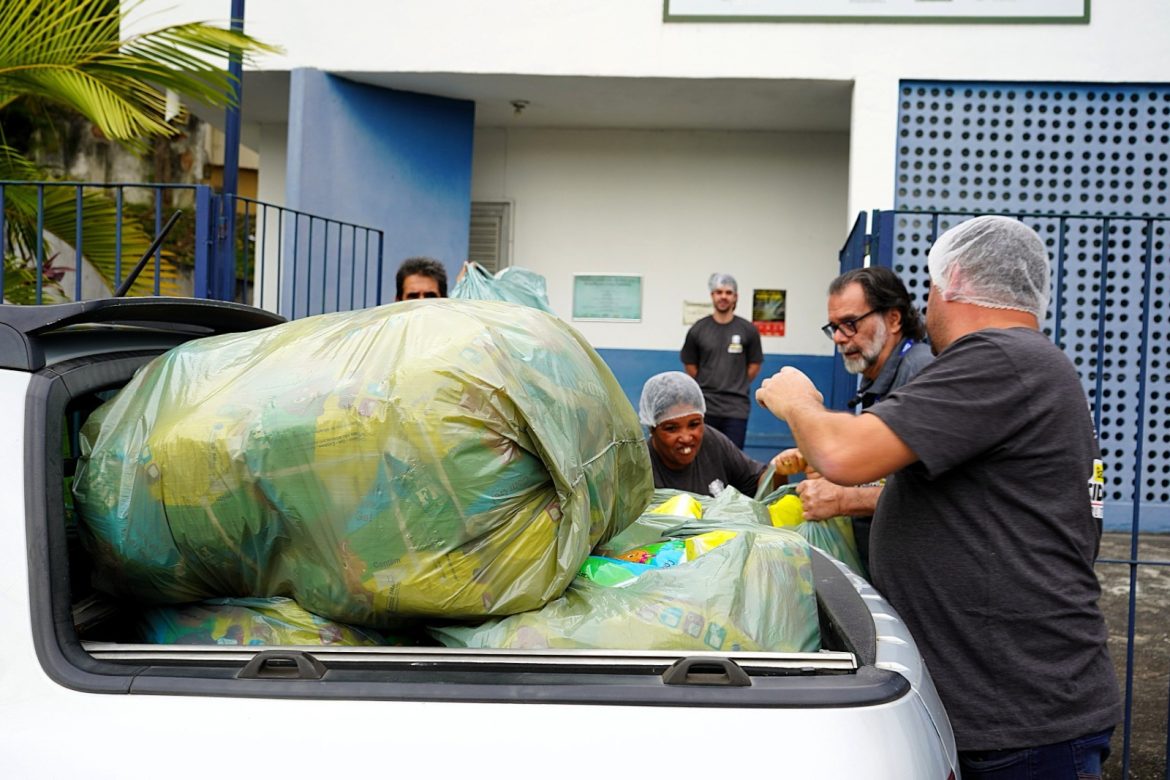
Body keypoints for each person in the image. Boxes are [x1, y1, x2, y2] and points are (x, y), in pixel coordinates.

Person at [756, 215, 1121, 777]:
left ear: (952, 279)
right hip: (1002, 707)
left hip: (1021, 719)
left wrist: (798, 400)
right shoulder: (1024, 364)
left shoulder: (1001, 359)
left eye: (929, 287)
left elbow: (846, 456)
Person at [774, 266, 933, 570]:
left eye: (849, 324)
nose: (838, 337)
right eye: (833, 327)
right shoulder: (877, 376)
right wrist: (824, 465)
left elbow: (929, 494)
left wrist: (843, 499)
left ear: (894, 319)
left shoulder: (921, 375)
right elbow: (887, 469)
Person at [639, 371, 781, 498]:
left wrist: (780, 468)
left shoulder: (712, 442)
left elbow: (758, 482)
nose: (686, 437)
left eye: (694, 424)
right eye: (671, 428)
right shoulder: (640, 470)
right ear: (652, 428)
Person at [680, 273, 763, 449]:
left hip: (736, 409)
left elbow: (754, 364)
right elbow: (690, 364)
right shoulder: (699, 329)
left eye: (728, 292)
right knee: (704, 458)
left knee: (734, 461)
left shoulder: (748, 330)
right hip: (705, 406)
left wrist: (736, 382)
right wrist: (708, 381)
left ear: (735, 297)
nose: (723, 296)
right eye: (719, 292)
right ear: (712, 296)